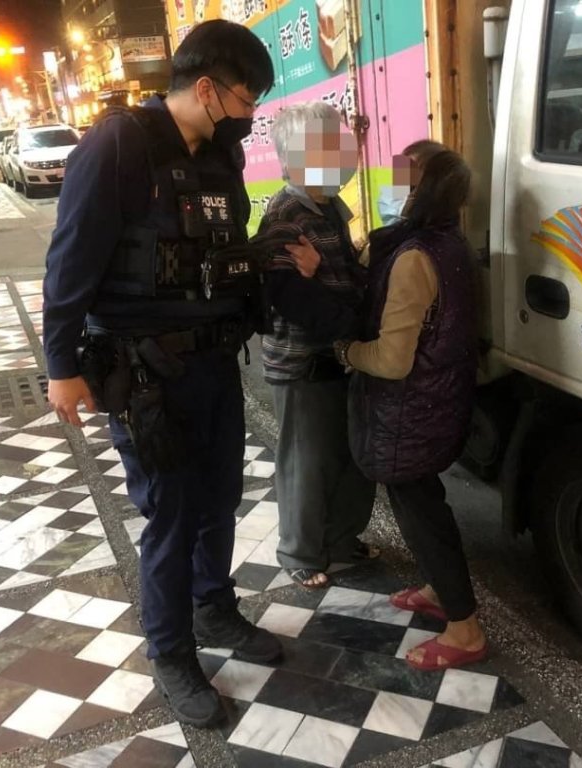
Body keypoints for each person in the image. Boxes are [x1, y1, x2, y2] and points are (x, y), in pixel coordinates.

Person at [42, 20, 293, 727]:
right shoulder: (119, 144)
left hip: (212, 361)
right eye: (245, 98)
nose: (250, 114)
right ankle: (171, 651)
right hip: (144, 370)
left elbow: (223, 247)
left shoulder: (221, 155)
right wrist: (61, 365)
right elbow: (69, 261)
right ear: (206, 88)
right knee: (172, 512)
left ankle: (214, 608)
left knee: (219, 497)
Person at [335, 147, 487, 670]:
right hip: (437, 403)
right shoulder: (449, 243)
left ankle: (465, 630)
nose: (395, 183)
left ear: (425, 189)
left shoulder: (412, 258)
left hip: (409, 412)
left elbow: (392, 360)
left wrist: (345, 352)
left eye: (406, 175)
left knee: (422, 514)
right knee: (424, 502)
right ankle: (440, 590)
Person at [258, 101, 378, 589]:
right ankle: (300, 551)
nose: (341, 155)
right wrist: (353, 325)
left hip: (341, 357)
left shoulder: (327, 206)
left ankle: (342, 539)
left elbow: (342, 274)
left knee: (351, 456)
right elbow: (291, 297)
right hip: (304, 364)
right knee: (306, 462)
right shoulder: (285, 214)